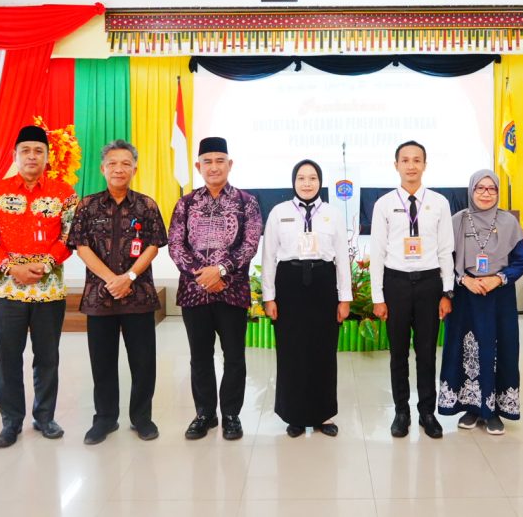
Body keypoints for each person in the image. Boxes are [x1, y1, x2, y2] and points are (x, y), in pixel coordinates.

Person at [0, 125, 78, 448]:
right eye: (26, 151)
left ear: (47, 156)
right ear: (15, 155)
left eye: (38, 151)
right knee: (8, 358)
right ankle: (11, 421)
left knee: (47, 357)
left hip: (48, 291)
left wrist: (44, 265)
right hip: (7, 291)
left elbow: (70, 238)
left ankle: (45, 417)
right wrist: (12, 268)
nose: (32, 156)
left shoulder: (64, 194)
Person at [68, 140, 168, 445]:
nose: (119, 169)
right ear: (102, 169)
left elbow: (154, 245)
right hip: (100, 296)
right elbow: (81, 247)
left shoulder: (146, 205)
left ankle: (142, 418)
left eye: (125, 163)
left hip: (139, 295)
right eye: (112, 163)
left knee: (143, 362)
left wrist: (130, 277)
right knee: (102, 362)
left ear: (135, 169)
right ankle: (105, 419)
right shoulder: (87, 206)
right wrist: (113, 279)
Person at [168, 137, 262, 441]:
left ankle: (231, 414)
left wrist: (220, 271)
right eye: (207, 162)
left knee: (234, 356)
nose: (213, 167)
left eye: (220, 161)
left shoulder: (247, 202)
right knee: (200, 356)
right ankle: (205, 414)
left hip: (232, 291)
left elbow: (250, 244)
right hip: (194, 293)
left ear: (229, 164)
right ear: (198, 167)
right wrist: (202, 276)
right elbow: (175, 245)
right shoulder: (185, 203)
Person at [261, 159, 352, 437]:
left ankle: (323, 415)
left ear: (320, 182)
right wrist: (269, 297)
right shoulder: (279, 212)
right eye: (301, 178)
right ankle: (295, 415)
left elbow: (342, 258)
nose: (307, 183)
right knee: (292, 351)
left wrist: (344, 298)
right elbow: (268, 257)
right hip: (289, 284)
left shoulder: (333, 214)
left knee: (323, 351)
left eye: (313, 178)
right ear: (294, 182)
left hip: (323, 284)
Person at [370, 140, 454, 439]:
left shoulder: (439, 202)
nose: (411, 165)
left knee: (427, 352)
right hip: (396, 284)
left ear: (425, 165)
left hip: (430, 283)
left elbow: (445, 250)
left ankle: (427, 412)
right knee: (398, 353)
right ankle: (401, 411)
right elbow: (377, 252)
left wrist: (447, 292)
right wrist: (378, 297)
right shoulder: (383, 204)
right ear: (396, 165)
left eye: (417, 160)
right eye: (405, 160)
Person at [438, 170, 523, 435]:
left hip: (498, 296)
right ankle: (471, 408)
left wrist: (498, 278)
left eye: (492, 189)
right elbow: (444, 258)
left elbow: (522, 260)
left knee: (499, 350)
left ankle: (494, 412)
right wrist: (463, 279)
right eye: (480, 188)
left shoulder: (509, 222)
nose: (486, 194)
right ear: (471, 190)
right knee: (465, 350)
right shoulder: (457, 221)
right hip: (465, 296)